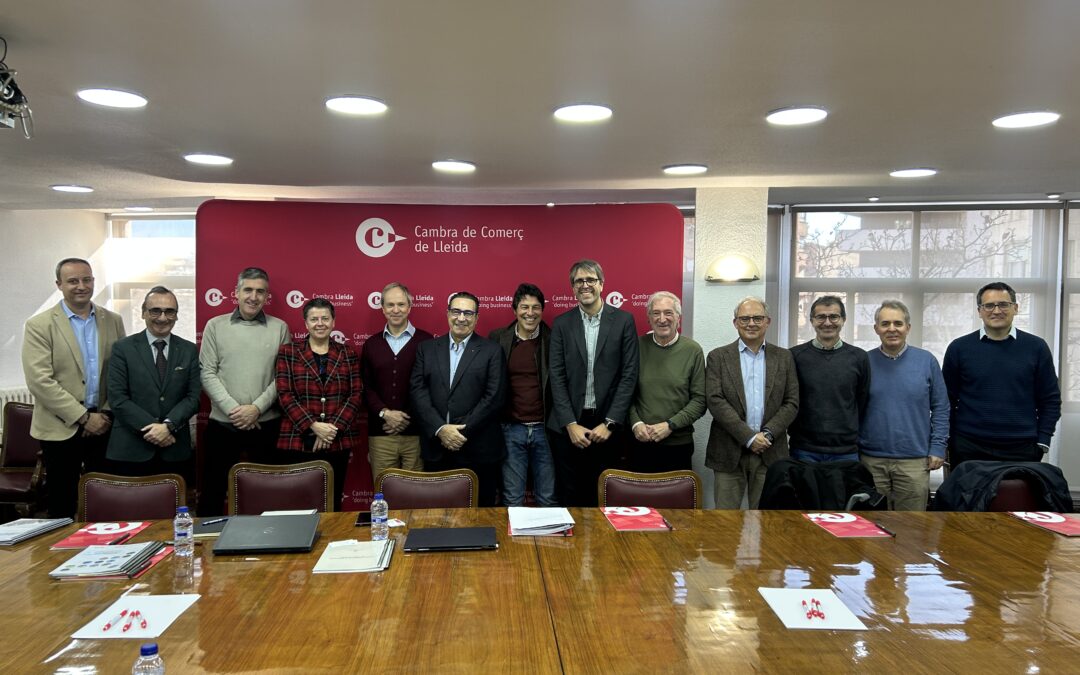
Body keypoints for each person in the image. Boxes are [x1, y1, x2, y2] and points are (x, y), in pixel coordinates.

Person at [21, 257, 126, 518]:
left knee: (106, 501)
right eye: (73, 281)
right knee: (62, 503)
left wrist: (103, 414)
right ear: (59, 285)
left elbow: (121, 372)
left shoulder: (112, 320)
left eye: (87, 279)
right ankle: (60, 557)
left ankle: (105, 552)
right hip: (60, 427)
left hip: (104, 423)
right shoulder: (40, 325)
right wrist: (82, 417)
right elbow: (40, 381)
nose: (81, 286)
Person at [548, 259, 639, 506]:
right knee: (570, 496)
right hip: (569, 428)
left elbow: (629, 375)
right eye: (579, 281)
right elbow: (556, 376)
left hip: (607, 426)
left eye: (590, 280)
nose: (585, 285)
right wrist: (570, 424)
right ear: (572, 288)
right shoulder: (561, 324)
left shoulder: (623, 321)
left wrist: (609, 423)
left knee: (606, 498)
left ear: (601, 284)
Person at [199, 267, 290, 514]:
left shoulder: (279, 327)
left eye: (260, 291)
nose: (253, 296)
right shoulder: (215, 326)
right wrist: (234, 411)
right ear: (236, 293)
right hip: (223, 424)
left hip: (266, 425)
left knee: (270, 496)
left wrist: (256, 409)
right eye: (248, 290)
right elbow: (207, 372)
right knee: (212, 495)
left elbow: (282, 376)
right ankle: (207, 548)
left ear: (266, 296)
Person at [942, 282, 1061, 466]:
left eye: (1003, 304)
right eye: (989, 305)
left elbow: (1050, 399)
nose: (996, 311)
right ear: (979, 311)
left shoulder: (1036, 347)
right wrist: (949, 442)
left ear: (1015, 308)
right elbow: (946, 401)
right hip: (969, 447)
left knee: (1017, 496)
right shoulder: (959, 348)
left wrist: (1043, 440)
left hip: (1022, 447)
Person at [410, 292, 507, 506]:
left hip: (478, 450)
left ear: (476, 318)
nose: (461, 318)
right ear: (447, 314)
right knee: (437, 517)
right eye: (456, 311)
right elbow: (418, 392)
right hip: (437, 448)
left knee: (481, 519)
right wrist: (441, 429)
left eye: (468, 313)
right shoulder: (426, 349)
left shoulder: (492, 351)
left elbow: (494, 398)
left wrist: (459, 431)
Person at [706, 297, 798, 509]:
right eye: (745, 318)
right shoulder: (718, 357)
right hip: (728, 451)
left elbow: (791, 402)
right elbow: (715, 400)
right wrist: (748, 437)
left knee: (767, 522)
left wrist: (766, 435)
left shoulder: (784, 357)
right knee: (725, 523)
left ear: (768, 321)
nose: (751, 323)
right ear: (735, 322)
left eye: (758, 318)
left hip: (770, 450)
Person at [858, 300, 949, 511]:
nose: (892, 329)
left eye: (898, 323)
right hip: (871, 461)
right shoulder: (863, 362)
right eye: (885, 323)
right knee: (871, 530)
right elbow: (852, 408)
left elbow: (941, 407)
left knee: (912, 530)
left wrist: (938, 447)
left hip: (915, 462)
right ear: (876, 328)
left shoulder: (927, 361)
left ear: (908, 327)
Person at [105, 286, 200, 479]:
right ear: (143, 313)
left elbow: (193, 397)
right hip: (131, 449)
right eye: (155, 310)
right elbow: (117, 399)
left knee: (171, 507)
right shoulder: (123, 348)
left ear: (176, 315)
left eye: (170, 311)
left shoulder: (189, 350)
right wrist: (155, 429)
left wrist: (167, 426)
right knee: (131, 508)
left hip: (173, 449)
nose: (163, 318)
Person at [275, 298, 361, 509]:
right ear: (306, 324)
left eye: (325, 318)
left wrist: (331, 430)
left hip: (337, 440)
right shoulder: (289, 352)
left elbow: (356, 394)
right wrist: (313, 426)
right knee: (298, 501)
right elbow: (284, 394)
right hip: (297, 438)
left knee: (332, 500)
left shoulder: (347, 353)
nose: (320, 323)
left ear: (333, 322)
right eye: (314, 319)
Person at [489, 283, 556, 506]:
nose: (530, 313)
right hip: (511, 430)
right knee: (512, 498)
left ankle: (549, 542)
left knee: (547, 497)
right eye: (524, 307)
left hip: (545, 431)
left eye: (536, 307)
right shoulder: (498, 338)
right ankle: (514, 543)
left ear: (542, 310)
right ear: (514, 309)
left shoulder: (553, 339)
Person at [360, 282, 433, 482]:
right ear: (382, 308)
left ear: (409, 307)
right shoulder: (371, 344)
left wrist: (404, 418)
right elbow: (366, 387)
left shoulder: (427, 342)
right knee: (384, 496)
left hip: (417, 434)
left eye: (401, 304)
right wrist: (386, 414)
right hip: (381, 434)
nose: (396, 310)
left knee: (416, 495)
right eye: (390, 305)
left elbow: (430, 387)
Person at [627, 291, 706, 473]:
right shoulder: (635, 347)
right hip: (639, 442)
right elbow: (625, 392)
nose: (662, 319)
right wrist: (636, 423)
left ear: (678, 317)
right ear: (649, 318)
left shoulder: (692, 351)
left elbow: (700, 400)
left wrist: (670, 425)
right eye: (656, 313)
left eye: (668, 313)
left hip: (678, 445)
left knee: (676, 501)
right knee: (639, 501)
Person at [788, 295, 870, 463]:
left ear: (843, 320)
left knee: (844, 491)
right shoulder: (794, 356)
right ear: (811, 320)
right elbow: (789, 400)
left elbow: (861, 401)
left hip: (846, 451)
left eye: (833, 316)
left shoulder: (859, 357)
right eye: (821, 317)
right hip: (804, 450)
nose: (827, 322)